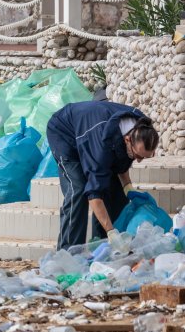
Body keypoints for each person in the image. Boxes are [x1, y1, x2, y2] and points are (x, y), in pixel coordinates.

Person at [45, 101, 159, 250]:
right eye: (138, 156)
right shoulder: (101, 148)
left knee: (117, 195)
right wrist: (111, 232)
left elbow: (122, 162)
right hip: (65, 133)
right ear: (127, 140)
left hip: (92, 131)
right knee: (78, 190)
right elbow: (94, 194)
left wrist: (128, 189)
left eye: (145, 157)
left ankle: (101, 248)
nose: (138, 160)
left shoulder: (143, 128)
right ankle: (68, 252)